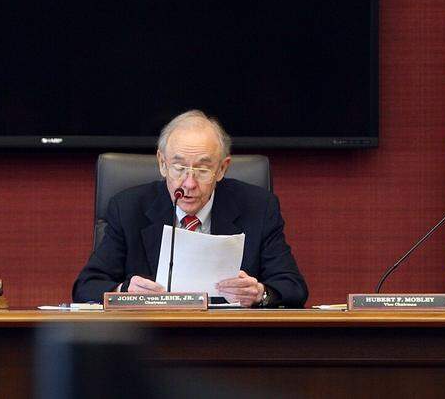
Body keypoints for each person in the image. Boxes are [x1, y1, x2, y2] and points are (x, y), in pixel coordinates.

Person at [73, 110, 308, 307]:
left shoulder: (258, 207)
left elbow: (293, 287)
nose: (189, 183)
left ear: (222, 169)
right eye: (179, 168)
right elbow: (86, 286)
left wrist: (260, 293)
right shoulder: (128, 208)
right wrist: (124, 291)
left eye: (203, 170)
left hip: (232, 341)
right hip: (151, 341)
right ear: (162, 164)